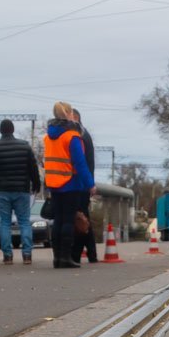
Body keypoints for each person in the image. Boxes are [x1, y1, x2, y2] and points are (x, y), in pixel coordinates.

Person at [44, 101, 95, 269]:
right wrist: (90, 184)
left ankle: (57, 257)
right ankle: (66, 257)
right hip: (70, 183)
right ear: (68, 114)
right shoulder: (71, 136)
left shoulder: (48, 137)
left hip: (53, 183)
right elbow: (80, 163)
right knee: (68, 221)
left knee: (58, 220)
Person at [0, 119, 42, 265]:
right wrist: (36, 183)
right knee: (24, 222)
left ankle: (7, 255)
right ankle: (27, 254)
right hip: (22, 190)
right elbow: (33, 167)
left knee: (4, 222)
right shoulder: (24, 146)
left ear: (0, 130)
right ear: (13, 130)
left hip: (2, 190)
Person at [71, 108, 98, 263]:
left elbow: (81, 162)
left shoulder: (79, 135)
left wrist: (88, 183)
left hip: (81, 184)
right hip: (85, 182)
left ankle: (76, 254)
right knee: (84, 219)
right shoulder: (84, 133)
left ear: (75, 117)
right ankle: (92, 253)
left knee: (80, 219)